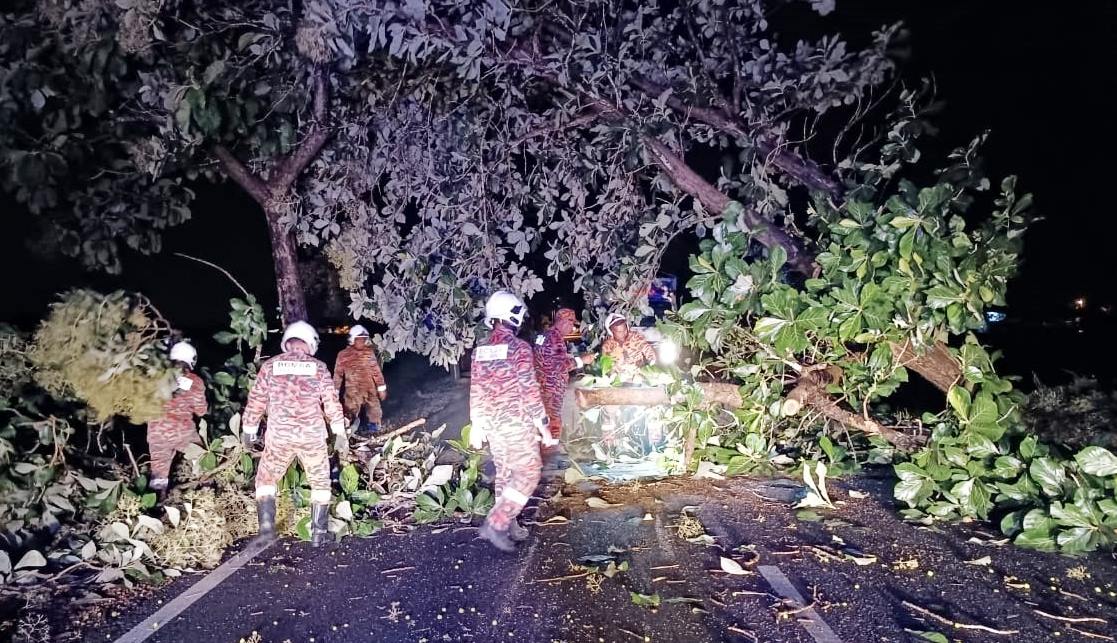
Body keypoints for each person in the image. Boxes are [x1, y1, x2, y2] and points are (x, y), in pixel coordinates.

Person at [242, 321, 346, 547]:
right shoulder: (318, 367)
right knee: (320, 482)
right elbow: (331, 402)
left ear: (287, 342)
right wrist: (339, 432)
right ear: (310, 343)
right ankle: (319, 534)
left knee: (266, 479)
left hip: (280, 436)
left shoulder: (270, 366)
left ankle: (267, 529)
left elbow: (256, 402)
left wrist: (248, 431)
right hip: (312, 436)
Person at [470, 291, 556, 552]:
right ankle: (497, 521)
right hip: (516, 423)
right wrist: (543, 426)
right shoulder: (519, 349)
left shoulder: (481, 350)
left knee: (506, 473)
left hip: (494, 426)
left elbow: (476, 389)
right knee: (529, 473)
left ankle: (509, 523)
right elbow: (529, 390)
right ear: (512, 316)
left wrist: (477, 424)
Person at [146, 341, 208, 501]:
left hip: (156, 432)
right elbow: (201, 410)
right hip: (183, 432)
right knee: (202, 458)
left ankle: (157, 504)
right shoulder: (194, 380)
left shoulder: (155, 376)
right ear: (191, 359)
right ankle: (205, 493)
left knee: (158, 472)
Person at [533, 308, 595, 442]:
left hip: (542, 385)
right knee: (552, 421)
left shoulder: (544, 335)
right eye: (572, 324)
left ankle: (544, 448)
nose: (572, 328)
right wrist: (581, 361)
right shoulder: (555, 338)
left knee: (542, 421)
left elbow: (548, 359)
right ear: (565, 322)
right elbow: (558, 366)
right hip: (551, 388)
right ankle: (552, 453)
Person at [333, 324, 387, 435]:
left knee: (374, 409)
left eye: (364, 339)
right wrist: (335, 392)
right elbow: (338, 375)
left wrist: (381, 388)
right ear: (352, 340)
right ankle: (348, 434)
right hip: (352, 391)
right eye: (359, 339)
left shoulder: (369, 353)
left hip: (369, 389)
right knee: (349, 413)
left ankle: (375, 431)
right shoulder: (343, 355)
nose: (362, 341)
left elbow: (376, 371)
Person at [600, 313, 656, 380]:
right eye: (619, 331)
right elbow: (606, 364)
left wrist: (651, 360)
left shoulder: (635, 337)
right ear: (612, 332)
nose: (623, 333)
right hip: (618, 377)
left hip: (638, 374)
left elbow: (646, 348)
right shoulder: (607, 346)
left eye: (625, 329)